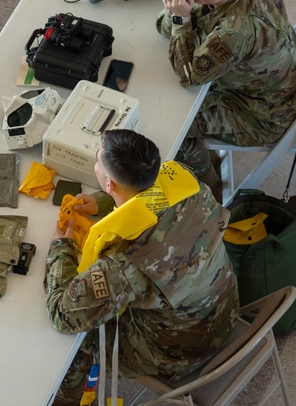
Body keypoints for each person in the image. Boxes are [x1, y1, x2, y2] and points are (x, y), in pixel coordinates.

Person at [45, 129, 238, 406]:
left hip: (183, 351)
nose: (96, 161)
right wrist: (103, 202)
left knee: (74, 346)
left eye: (98, 159)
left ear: (109, 183)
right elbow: (152, 196)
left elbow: (63, 315)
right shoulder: (185, 181)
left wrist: (59, 249)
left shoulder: (126, 264)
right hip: (223, 310)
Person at [155, 0, 296, 200]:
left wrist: (180, 18)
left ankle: (209, 192)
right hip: (285, 79)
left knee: (175, 130)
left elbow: (189, 76)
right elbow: (161, 27)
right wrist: (184, 7)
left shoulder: (235, 31)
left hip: (267, 113)